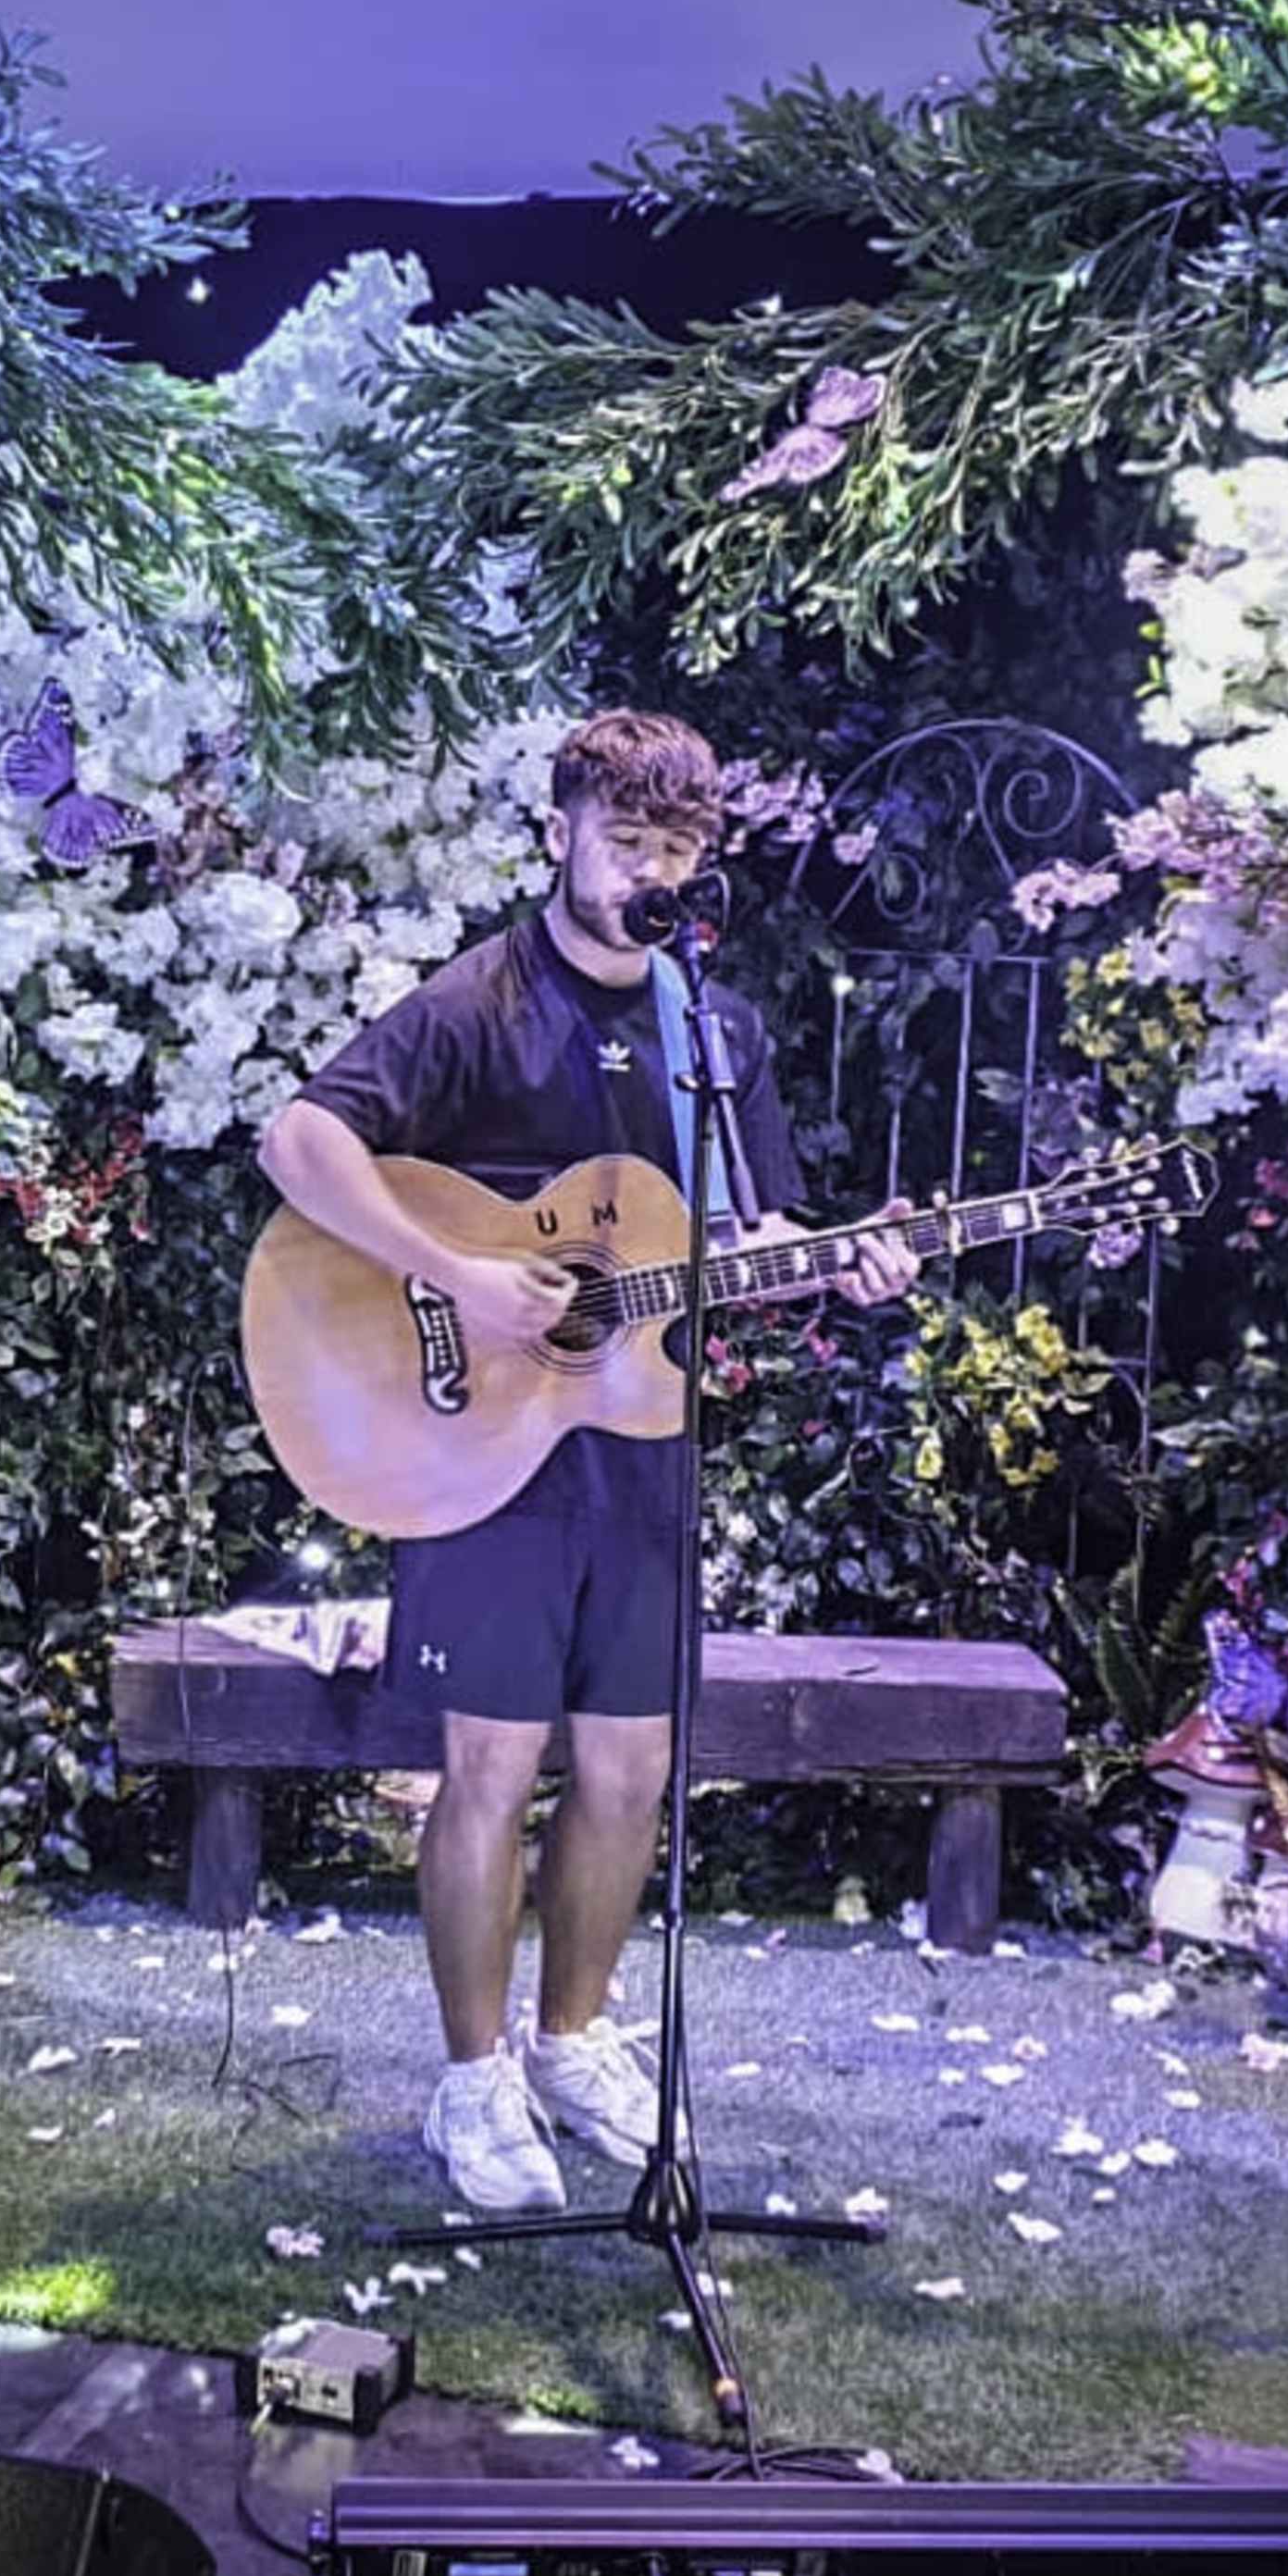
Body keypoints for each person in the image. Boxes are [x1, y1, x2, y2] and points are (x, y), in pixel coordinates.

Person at [256, 708, 915, 2212]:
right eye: (627, 841)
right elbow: (300, 1143)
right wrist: (467, 1277)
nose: (650, 870)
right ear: (564, 830)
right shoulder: (479, 1002)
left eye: (676, 847)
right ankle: (471, 2082)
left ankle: (573, 2041)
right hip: (476, 1445)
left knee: (634, 1765)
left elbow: (752, 1236)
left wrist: (847, 1264)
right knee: (489, 1763)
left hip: (636, 1438)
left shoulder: (712, 1029)